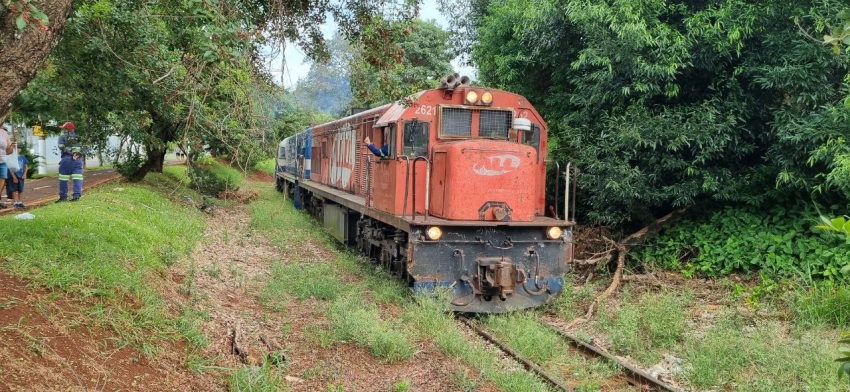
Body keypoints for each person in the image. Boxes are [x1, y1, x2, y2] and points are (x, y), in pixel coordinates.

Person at [56, 122, 85, 202]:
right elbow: (86, 148)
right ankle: (76, 196)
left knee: (63, 178)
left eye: (63, 129)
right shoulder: (79, 137)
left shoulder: (62, 137)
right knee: (77, 177)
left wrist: (72, 154)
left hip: (67, 159)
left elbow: (61, 147)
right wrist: (78, 154)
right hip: (78, 159)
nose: (62, 130)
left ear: (66, 130)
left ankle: (63, 197)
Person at [0, 125, 17, 209]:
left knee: (1, 182)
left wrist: (12, 146)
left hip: (2, 161)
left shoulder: (4, 133)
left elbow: (8, 151)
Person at [6, 144, 28, 208]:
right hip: (13, 176)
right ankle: (15, 202)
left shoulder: (22, 157)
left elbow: (26, 166)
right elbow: (10, 168)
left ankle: (20, 202)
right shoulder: (11, 157)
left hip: (21, 176)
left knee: (20, 189)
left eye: (19, 148)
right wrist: (14, 176)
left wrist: (25, 173)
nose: (18, 149)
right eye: (17, 148)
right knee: (14, 190)